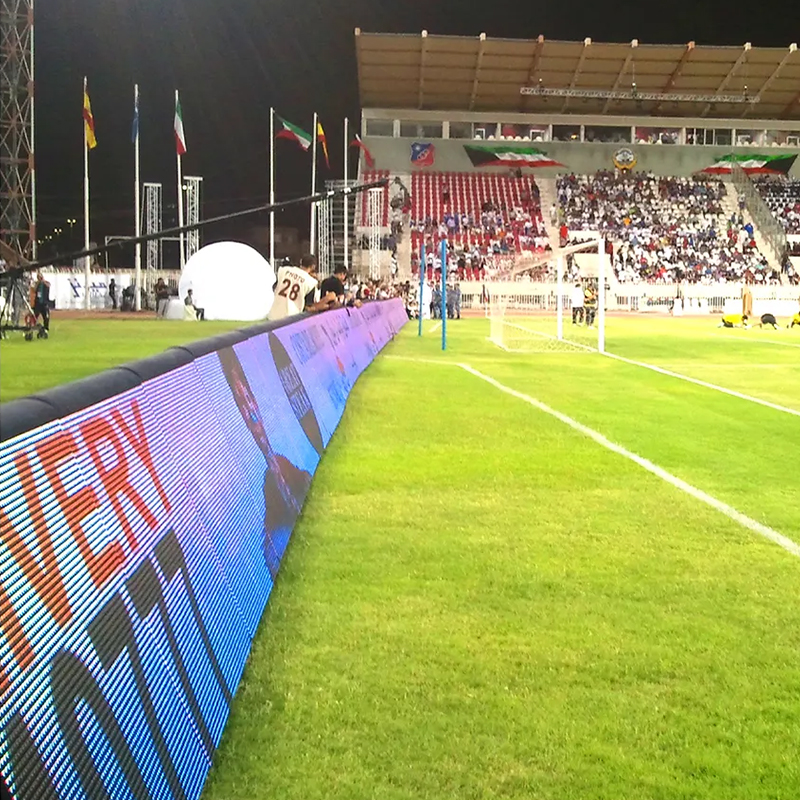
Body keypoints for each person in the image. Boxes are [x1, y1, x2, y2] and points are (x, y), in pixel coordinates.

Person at [268, 254, 335, 321]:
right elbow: (308, 308)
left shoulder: (284, 270)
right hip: (291, 318)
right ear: (313, 266)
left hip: (273, 315)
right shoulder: (310, 282)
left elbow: (274, 288)